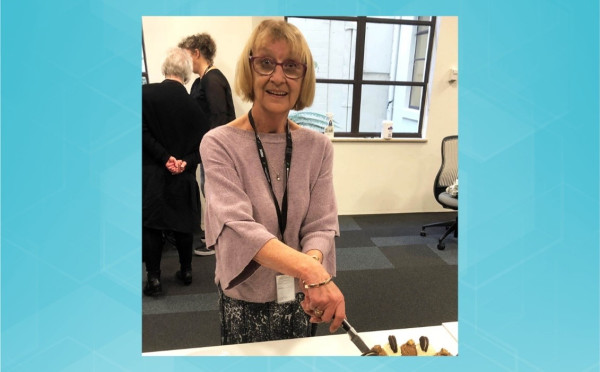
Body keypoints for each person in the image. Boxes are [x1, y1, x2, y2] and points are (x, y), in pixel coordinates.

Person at [200, 19, 346, 345]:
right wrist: (313, 273)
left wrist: (310, 271)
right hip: (244, 298)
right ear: (249, 69)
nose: (278, 77)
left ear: (303, 78)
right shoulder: (218, 143)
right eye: (266, 63)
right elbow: (239, 227)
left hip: (302, 298)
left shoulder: (318, 147)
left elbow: (321, 225)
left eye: (291, 66)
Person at [142, 48, 210, 296]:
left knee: (151, 226)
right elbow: (205, 145)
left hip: (152, 175)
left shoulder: (143, 94)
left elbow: (141, 133)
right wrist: (183, 162)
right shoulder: (195, 106)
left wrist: (163, 158)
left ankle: (154, 279)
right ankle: (186, 271)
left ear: (164, 68)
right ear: (186, 74)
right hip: (183, 176)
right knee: (183, 224)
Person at [178, 33, 236, 256]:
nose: (185, 60)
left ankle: (219, 240)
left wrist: (212, 152)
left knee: (215, 194)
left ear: (196, 53)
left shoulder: (212, 79)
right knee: (209, 192)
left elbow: (219, 119)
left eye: (186, 55)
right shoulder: (200, 81)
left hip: (217, 150)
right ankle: (214, 235)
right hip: (205, 149)